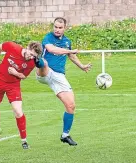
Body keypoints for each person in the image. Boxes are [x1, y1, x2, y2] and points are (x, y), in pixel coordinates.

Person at [36, 17, 92, 146]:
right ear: (53, 26)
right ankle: (35, 59)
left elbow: (71, 56)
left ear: (64, 28)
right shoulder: (48, 38)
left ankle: (65, 135)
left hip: (59, 76)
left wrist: (82, 66)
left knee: (71, 105)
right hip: (46, 72)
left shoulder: (67, 41)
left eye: (60, 27)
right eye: (55, 27)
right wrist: (70, 50)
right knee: (43, 62)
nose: (57, 29)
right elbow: (51, 49)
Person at [0, 41, 43, 149]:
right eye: (30, 53)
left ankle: (24, 141)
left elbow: (23, 76)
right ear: (27, 47)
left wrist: (15, 73)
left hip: (13, 85)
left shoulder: (31, 63)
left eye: (33, 56)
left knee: (18, 110)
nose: (30, 57)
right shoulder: (13, 47)